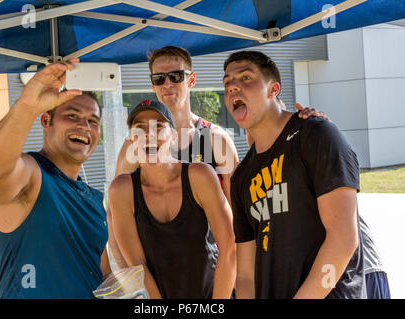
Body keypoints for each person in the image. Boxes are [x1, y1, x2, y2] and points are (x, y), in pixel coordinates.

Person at [107, 45, 323, 268]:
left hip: (210, 272)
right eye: (159, 78)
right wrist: (129, 278)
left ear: (191, 80)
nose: (168, 84)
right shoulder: (135, 146)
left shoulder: (216, 139)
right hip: (157, 272)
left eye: (176, 76)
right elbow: (114, 216)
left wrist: (239, 275)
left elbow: (240, 213)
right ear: (153, 85)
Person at [224, 50, 365, 298]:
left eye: (245, 78)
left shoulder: (316, 135)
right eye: (227, 83)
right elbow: (246, 274)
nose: (233, 87)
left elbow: (343, 240)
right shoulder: (241, 177)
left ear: (273, 89)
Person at [0, 59, 111, 298]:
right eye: (72, 115)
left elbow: (101, 276)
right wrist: (28, 105)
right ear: (46, 121)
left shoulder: (92, 201)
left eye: (93, 121)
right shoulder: (32, 176)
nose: (85, 126)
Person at [108, 99, 236, 299]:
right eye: (140, 128)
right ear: (132, 140)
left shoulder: (200, 176)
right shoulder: (122, 191)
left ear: (174, 137)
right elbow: (138, 266)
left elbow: (229, 249)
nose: (149, 135)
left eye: (158, 127)